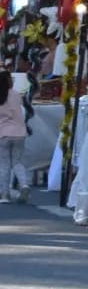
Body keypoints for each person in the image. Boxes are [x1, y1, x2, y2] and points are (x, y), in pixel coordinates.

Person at [0, 72, 26, 203]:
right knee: (17, 161)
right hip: (19, 132)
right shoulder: (16, 94)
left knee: (4, 164)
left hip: (3, 133)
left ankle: (4, 194)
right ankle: (24, 184)